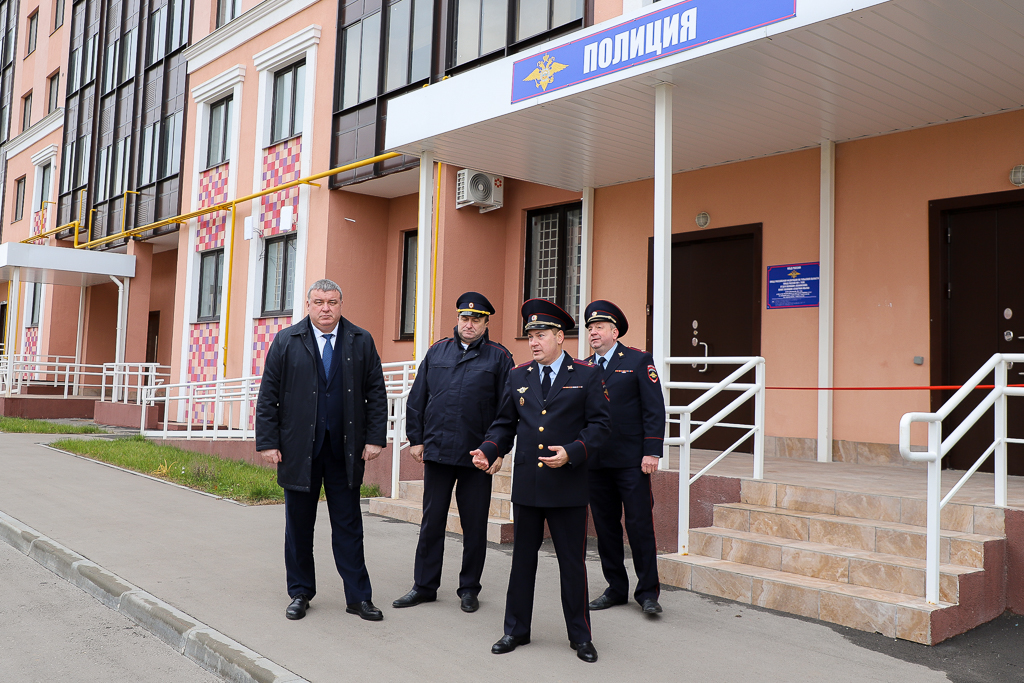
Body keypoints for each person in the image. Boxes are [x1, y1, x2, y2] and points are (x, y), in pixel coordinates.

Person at [470, 299, 610, 664]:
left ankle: (580, 636)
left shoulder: (587, 375)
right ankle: (515, 630)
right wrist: (489, 448)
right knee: (522, 562)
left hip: (568, 486)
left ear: (560, 337)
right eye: (530, 335)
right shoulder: (518, 376)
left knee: (572, 564)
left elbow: (600, 428)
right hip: (529, 487)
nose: (534, 341)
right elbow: (505, 423)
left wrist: (574, 451)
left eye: (541, 334)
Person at [255, 278, 388, 622]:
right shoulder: (287, 340)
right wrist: (268, 441)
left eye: (332, 302)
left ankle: (358, 597)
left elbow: (376, 392)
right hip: (299, 450)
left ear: (341, 304)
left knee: (349, 526)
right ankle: (300, 592)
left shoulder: (360, 340)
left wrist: (375, 437)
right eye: (319, 302)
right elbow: (269, 395)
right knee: (299, 526)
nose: (325, 308)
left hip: (345, 451)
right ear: (308, 305)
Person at [393, 292, 514, 613]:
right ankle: (424, 586)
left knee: (474, 526)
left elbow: (508, 410)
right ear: (457, 319)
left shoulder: (499, 358)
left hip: (478, 456)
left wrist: (499, 449)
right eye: (465, 318)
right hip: (438, 452)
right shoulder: (437, 352)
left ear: (486, 322)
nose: (469, 324)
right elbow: (417, 398)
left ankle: (469, 588)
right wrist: (416, 439)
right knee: (431, 522)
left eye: (476, 319)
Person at [583, 300, 666, 616]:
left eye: (599, 327)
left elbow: (654, 408)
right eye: (590, 328)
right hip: (597, 463)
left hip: (632, 461)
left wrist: (652, 450)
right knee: (605, 528)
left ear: (614, 332)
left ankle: (647, 593)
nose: (593, 332)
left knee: (640, 525)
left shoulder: (637, 360)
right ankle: (616, 588)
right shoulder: (585, 366)